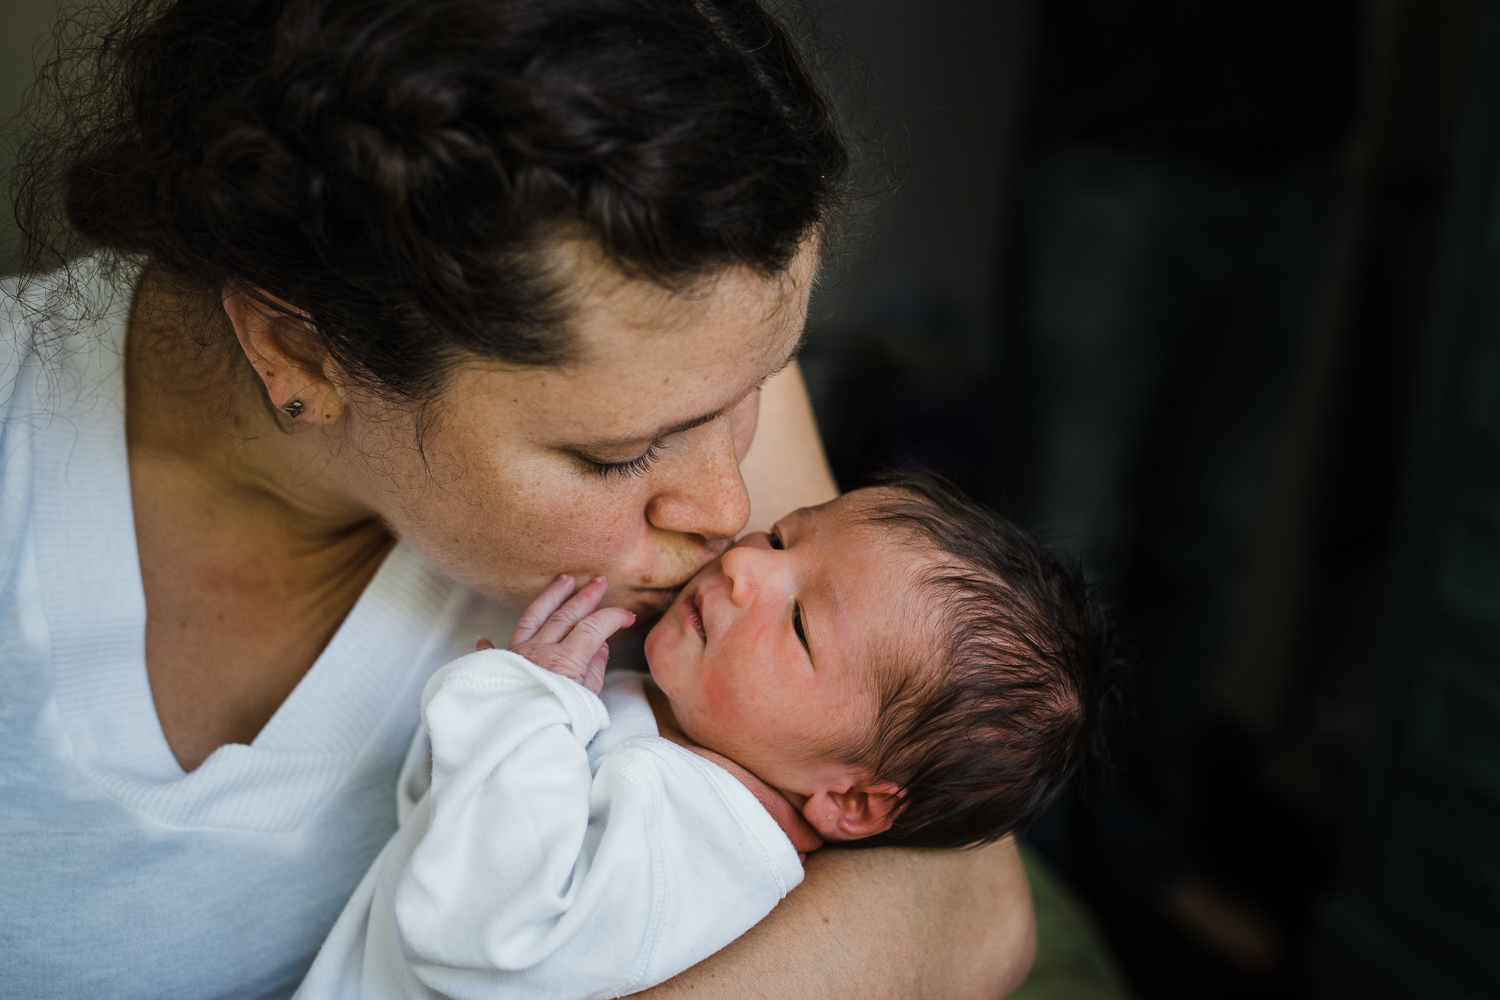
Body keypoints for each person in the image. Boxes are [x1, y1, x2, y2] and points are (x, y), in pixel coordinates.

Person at [0, 0, 1037, 997]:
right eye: (618, 452)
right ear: (299, 347)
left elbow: (969, 894)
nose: (730, 512)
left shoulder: (678, 360)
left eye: (760, 385)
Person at [297, 476, 1124, 999]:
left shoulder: (701, 843)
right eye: (782, 537)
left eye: (799, 623)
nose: (744, 568)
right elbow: (430, 839)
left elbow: (483, 942)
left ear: (853, 797)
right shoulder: (679, 740)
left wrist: (519, 714)